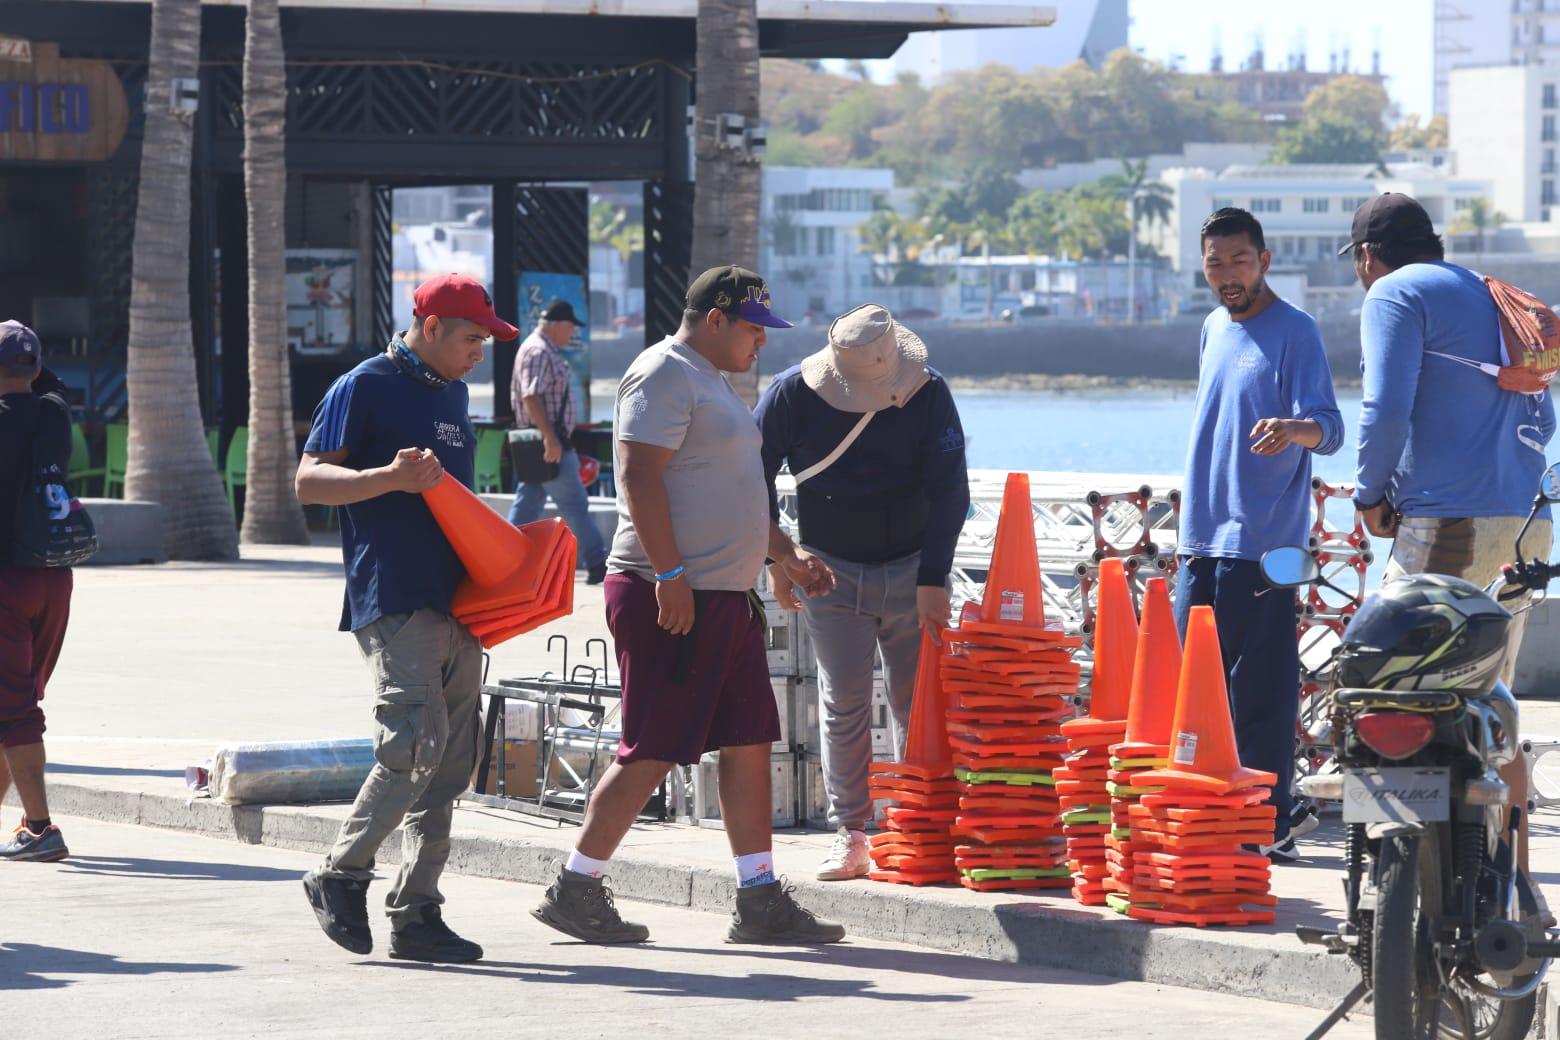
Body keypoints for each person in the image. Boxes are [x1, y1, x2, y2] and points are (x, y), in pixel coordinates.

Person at [530, 266, 846, 945]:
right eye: (753, 329)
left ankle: (759, 897)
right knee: (653, 747)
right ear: (715, 319)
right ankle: (574, 886)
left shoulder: (715, 384)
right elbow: (638, 473)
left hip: (722, 599)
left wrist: (783, 557)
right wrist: (669, 573)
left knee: (747, 740)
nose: (761, 343)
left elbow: (731, 489)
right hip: (670, 595)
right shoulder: (663, 372)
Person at [295, 273, 518, 963]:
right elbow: (307, 480)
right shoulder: (362, 385)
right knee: (413, 743)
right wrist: (384, 478)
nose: (481, 351)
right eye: (472, 337)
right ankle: (339, 873)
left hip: (460, 601)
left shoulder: (452, 393)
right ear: (430, 328)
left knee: (451, 764)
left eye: (487, 339)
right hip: (393, 595)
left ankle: (417, 911)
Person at [1345, 193, 1555, 878]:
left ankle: (1399, 879)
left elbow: (1384, 407)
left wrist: (1371, 494)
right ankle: (1509, 881)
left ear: (1368, 257)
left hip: (1447, 524)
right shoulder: (1492, 293)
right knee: (1488, 700)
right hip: (1526, 525)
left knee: (1397, 690)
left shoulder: (1394, 293)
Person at [754, 304, 969, 881]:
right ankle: (849, 833)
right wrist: (782, 558)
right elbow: (748, 478)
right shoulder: (789, 395)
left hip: (912, 566)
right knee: (843, 700)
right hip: (827, 569)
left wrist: (932, 578)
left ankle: (920, 826)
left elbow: (952, 491)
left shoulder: (929, 394)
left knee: (916, 701)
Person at [1176, 208, 1343, 863]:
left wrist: (1293, 429)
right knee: (1197, 686)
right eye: (1215, 263)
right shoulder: (1213, 327)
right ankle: (1218, 808)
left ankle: (1269, 821)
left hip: (1273, 544)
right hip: (1202, 534)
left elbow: (1330, 426)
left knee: (1264, 685)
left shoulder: (1297, 332)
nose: (1227, 275)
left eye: (1239, 260)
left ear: (1265, 260)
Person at [0, 321, 73, 863]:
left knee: (15, 709)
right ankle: (28, 827)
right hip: (54, 577)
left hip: (5, 580)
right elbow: (49, 382)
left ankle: (41, 827)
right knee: (15, 702)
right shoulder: (54, 412)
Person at [507, 299, 609, 585]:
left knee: (528, 504)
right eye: (571, 328)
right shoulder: (539, 351)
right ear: (558, 325)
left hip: (543, 441)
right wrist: (550, 438)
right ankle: (597, 561)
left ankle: (503, 560)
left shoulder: (541, 349)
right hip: (547, 442)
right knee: (575, 505)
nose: (572, 334)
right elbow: (531, 396)